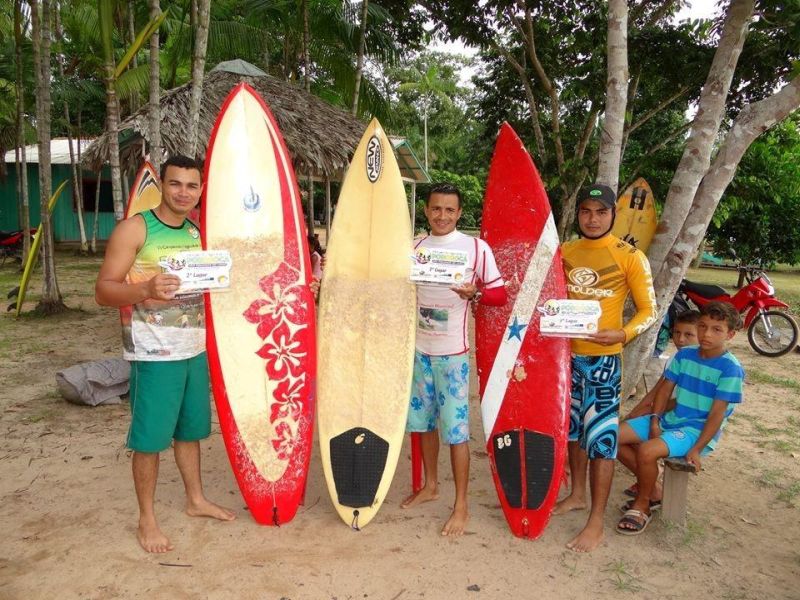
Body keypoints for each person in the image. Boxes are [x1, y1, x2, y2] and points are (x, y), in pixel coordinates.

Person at [95, 155, 235, 554]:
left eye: (192, 186)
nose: (183, 193)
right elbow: (103, 289)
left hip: (195, 349)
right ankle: (147, 519)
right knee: (151, 439)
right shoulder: (136, 229)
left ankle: (195, 500)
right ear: (162, 185)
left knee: (190, 432)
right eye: (175, 184)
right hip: (154, 352)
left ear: (201, 190)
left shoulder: (197, 232)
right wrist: (145, 289)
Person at [554, 183, 657, 553]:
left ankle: (595, 521)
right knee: (571, 433)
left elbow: (650, 311)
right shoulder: (564, 251)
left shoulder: (629, 256)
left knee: (601, 440)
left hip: (603, 362)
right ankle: (577, 494)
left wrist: (623, 333)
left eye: (600, 212)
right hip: (564, 359)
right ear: (578, 213)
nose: (592, 219)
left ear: (613, 214)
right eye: (586, 211)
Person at [400, 183, 508, 536]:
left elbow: (499, 293)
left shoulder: (475, 248)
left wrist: (475, 292)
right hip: (419, 353)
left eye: (449, 210)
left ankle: (461, 505)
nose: (442, 216)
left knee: (457, 432)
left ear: (459, 213)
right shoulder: (415, 247)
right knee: (424, 424)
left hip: (453, 356)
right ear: (427, 210)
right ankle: (431, 486)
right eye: (435, 209)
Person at [616, 301, 744, 535]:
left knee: (646, 451)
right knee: (609, 438)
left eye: (717, 329)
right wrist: (655, 420)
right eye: (703, 326)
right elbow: (665, 390)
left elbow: (716, 414)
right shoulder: (685, 355)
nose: (707, 334)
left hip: (696, 431)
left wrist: (696, 449)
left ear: (731, 335)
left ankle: (642, 504)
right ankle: (654, 490)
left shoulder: (730, 369)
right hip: (669, 419)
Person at [620, 309, 700, 500]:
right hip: (664, 414)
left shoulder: (703, 363)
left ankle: (648, 487)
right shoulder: (676, 358)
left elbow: (680, 402)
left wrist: (653, 412)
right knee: (612, 436)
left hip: (684, 422)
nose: (680, 339)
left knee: (645, 444)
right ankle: (650, 480)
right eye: (676, 333)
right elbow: (656, 391)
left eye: (688, 334)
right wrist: (636, 412)